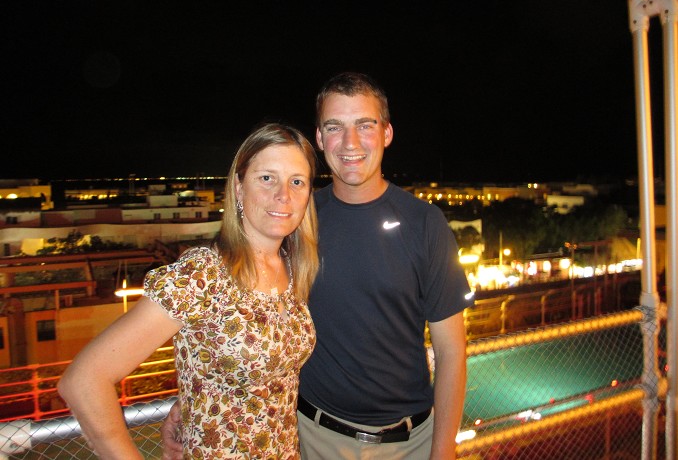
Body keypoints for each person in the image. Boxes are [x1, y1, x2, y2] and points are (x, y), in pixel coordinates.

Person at [164, 72, 471, 459]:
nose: (350, 142)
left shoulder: (425, 224)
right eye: (334, 127)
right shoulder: (295, 219)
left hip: (411, 442)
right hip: (313, 437)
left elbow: (451, 352)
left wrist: (442, 453)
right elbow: (239, 300)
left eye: (365, 125)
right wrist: (195, 395)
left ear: (387, 133)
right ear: (320, 138)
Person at [58, 122, 320, 459]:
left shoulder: (294, 268)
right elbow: (83, 380)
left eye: (297, 181)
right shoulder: (203, 275)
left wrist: (193, 396)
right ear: (238, 188)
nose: (283, 195)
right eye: (267, 178)